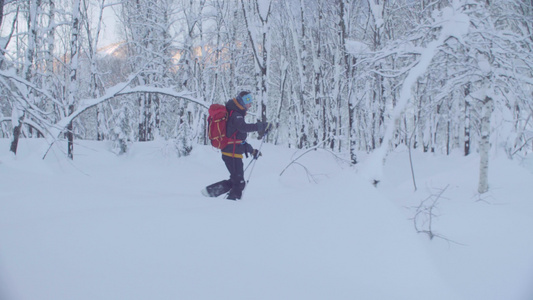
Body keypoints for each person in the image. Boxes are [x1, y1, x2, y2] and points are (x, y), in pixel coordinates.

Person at [202, 91, 271, 200]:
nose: (250, 105)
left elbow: (238, 140)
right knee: (239, 183)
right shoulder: (235, 115)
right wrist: (261, 126)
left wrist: (252, 151)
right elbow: (243, 128)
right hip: (230, 154)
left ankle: (209, 193)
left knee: (236, 181)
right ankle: (230, 205)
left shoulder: (236, 113)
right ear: (242, 102)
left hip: (233, 152)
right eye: (248, 102)